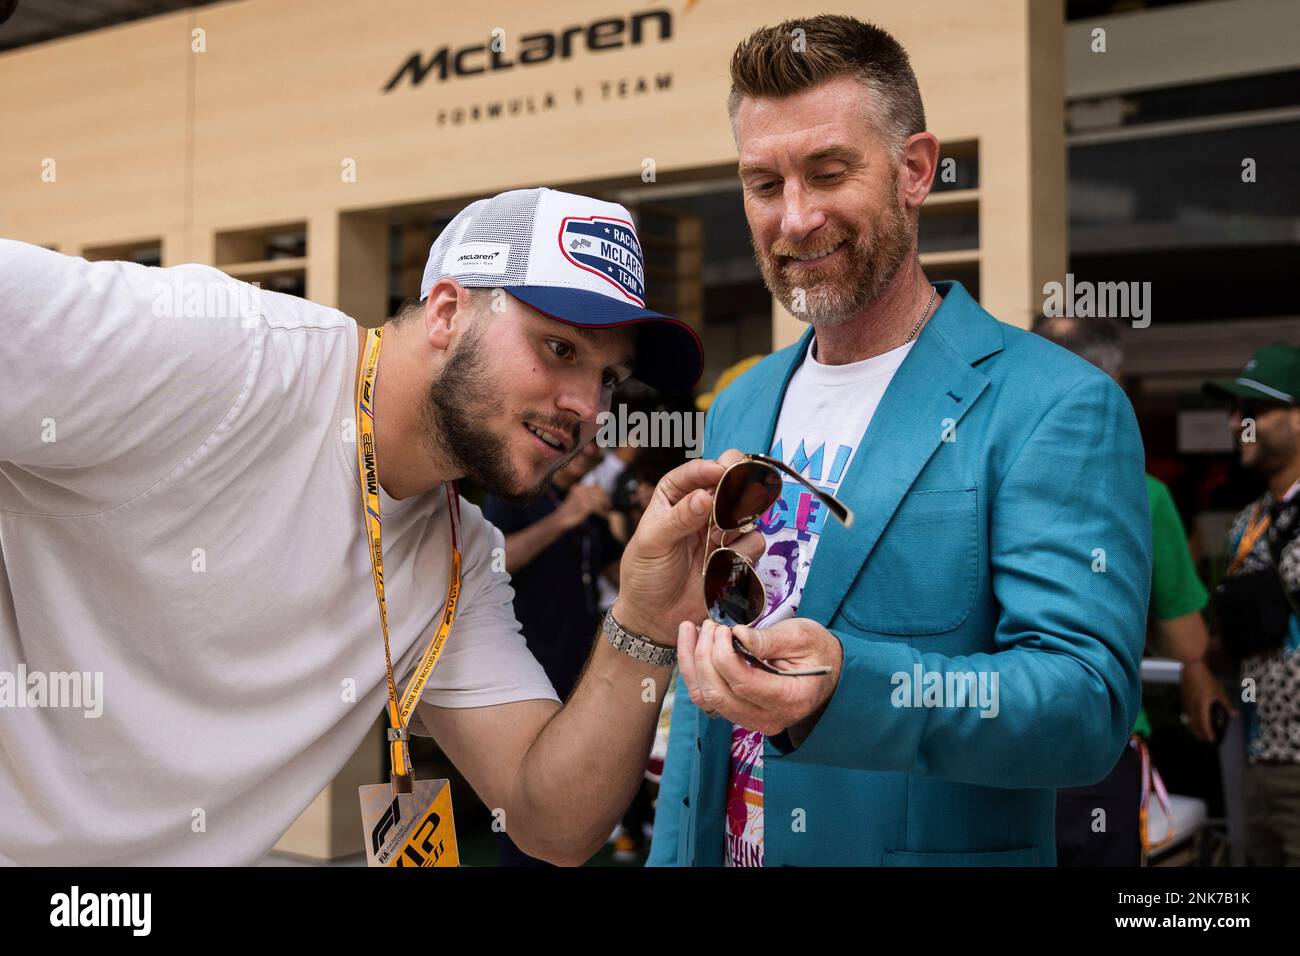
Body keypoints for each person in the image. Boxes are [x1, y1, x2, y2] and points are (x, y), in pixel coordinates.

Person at [0, 186, 737, 866]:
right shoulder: (224, 354)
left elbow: (553, 822)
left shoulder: (456, 558)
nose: (586, 406)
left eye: (609, 377)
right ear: (447, 312)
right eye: (559, 348)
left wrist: (644, 621)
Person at [649, 15, 1151, 867]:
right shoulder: (740, 402)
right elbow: (705, 691)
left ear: (915, 170)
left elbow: (1084, 706)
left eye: (828, 172)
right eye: (763, 183)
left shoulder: (1055, 404)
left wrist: (852, 686)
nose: (795, 218)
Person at [1033, 314, 1230, 864]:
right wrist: (1199, 672)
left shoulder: (981, 480)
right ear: (1112, 385)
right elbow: (1185, 641)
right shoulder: (1142, 493)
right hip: (1098, 750)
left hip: (992, 748)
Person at [483, 438, 622, 866]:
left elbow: (619, 573)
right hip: (525, 664)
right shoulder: (513, 493)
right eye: (590, 443)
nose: (596, 453)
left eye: (603, 446)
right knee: (522, 792)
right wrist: (565, 518)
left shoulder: (586, 502)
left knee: (567, 788)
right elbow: (492, 562)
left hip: (578, 667)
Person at [1203, 344, 1300, 865]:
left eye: (1256, 411)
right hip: (1259, 759)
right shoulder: (1247, 523)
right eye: (1235, 411)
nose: (1238, 423)